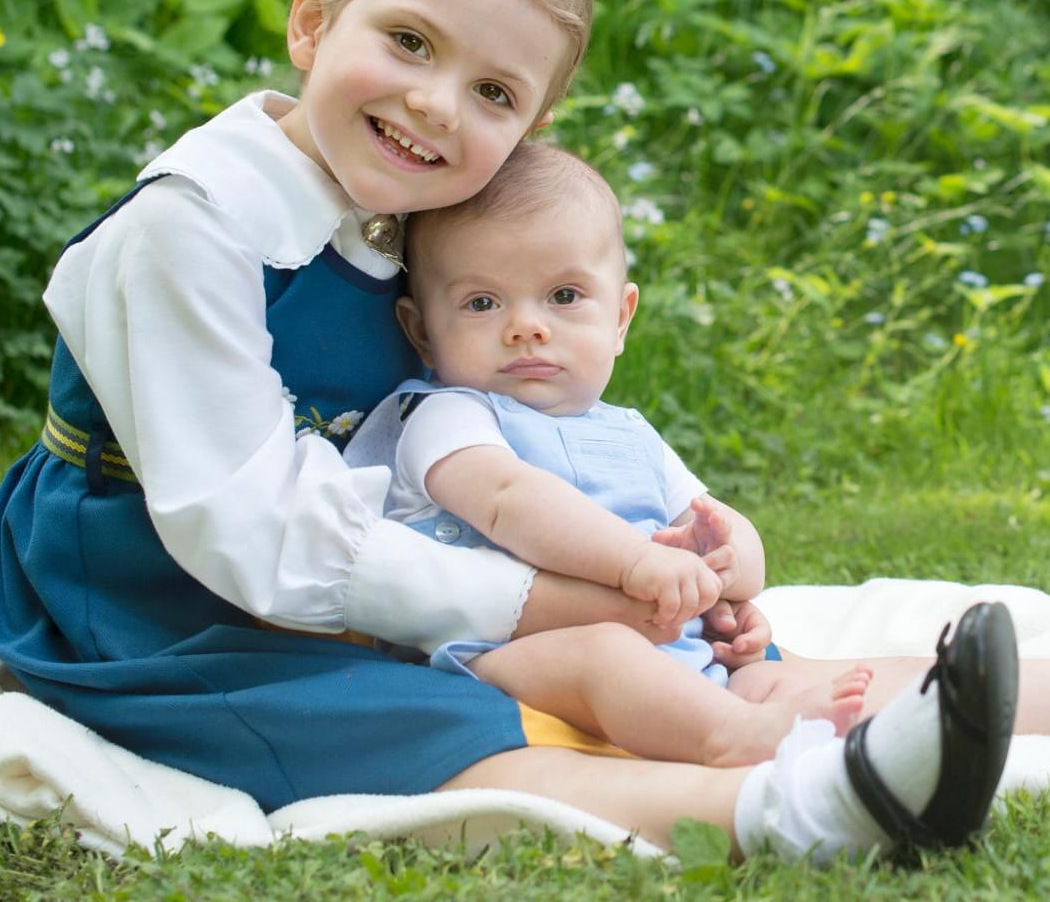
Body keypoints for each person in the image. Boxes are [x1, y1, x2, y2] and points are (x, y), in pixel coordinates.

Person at [0, 0, 1050, 866]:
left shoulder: (412, 199)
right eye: (408, 43)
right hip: (157, 579)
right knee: (445, 717)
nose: (438, 106)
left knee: (733, 650)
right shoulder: (191, 230)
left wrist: (612, 575)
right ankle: (795, 810)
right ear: (312, 23)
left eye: (495, 92)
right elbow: (254, 540)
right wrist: (545, 590)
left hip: (371, 547)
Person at [344, 142, 875, 768]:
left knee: (765, 673)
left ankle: (830, 733)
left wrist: (723, 574)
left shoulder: (630, 435)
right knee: (603, 656)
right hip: (508, 657)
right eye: (482, 303)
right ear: (423, 332)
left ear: (620, 319)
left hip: (668, 652)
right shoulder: (447, 417)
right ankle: (731, 737)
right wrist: (636, 564)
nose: (527, 327)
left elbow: (710, 519)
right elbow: (508, 500)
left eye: (564, 296)